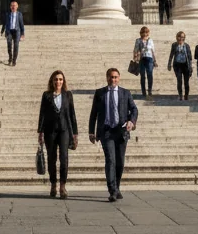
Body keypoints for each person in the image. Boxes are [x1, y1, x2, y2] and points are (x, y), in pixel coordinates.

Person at [88, 68, 137, 202]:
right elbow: (94, 113)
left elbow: (134, 109)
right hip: (106, 131)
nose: (113, 79)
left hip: (121, 131)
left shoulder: (125, 93)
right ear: (107, 78)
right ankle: (112, 190)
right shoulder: (100, 93)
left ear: (119, 78)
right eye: (111, 77)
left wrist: (132, 121)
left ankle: (117, 187)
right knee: (110, 159)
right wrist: (91, 131)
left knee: (120, 161)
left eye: (115, 77)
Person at [37, 70, 79, 199]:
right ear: (52, 81)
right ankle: (53, 184)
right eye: (56, 79)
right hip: (50, 131)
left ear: (63, 81)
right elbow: (42, 114)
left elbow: (72, 114)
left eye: (60, 79)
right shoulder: (46, 95)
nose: (58, 81)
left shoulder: (68, 95)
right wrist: (40, 132)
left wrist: (75, 133)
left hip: (64, 130)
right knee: (51, 158)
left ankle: (62, 186)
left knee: (64, 158)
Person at [167, 30, 193, 100]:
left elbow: (190, 57)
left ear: (184, 38)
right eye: (179, 37)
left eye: (182, 37)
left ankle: (186, 95)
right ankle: (180, 95)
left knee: (186, 82)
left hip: (185, 65)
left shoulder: (186, 46)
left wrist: (190, 67)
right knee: (179, 81)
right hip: (177, 65)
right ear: (177, 37)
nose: (181, 38)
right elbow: (171, 55)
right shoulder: (174, 45)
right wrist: (169, 64)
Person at [0, 0, 26, 66]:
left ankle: (14, 60)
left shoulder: (19, 14)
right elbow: (4, 23)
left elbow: (21, 24)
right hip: (9, 31)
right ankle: (10, 58)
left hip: (17, 31)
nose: (13, 7)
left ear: (17, 6)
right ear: (10, 7)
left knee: (16, 45)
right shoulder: (7, 14)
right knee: (9, 45)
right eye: (11, 6)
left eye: (14, 5)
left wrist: (22, 33)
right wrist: (2, 31)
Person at [132, 26, 156, 99]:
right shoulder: (138, 40)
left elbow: (153, 50)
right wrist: (135, 58)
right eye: (143, 32)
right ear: (141, 33)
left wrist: (155, 60)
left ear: (148, 33)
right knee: (142, 76)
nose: (145, 34)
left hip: (149, 59)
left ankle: (150, 91)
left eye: (146, 32)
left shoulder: (150, 40)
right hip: (141, 59)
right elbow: (135, 50)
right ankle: (143, 91)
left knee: (150, 75)